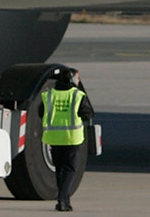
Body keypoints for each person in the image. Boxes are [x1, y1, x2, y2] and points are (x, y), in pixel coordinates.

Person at [40, 68, 94, 212]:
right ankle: (62, 199)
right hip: (71, 137)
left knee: (60, 169)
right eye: (77, 78)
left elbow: (41, 112)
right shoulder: (77, 95)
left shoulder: (49, 95)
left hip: (53, 137)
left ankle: (64, 200)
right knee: (70, 169)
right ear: (71, 79)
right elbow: (88, 114)